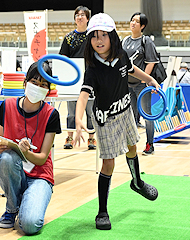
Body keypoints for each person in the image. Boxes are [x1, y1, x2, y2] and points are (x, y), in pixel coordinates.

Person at [74, 13, 159, 231]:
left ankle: (137, 182)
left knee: (133, 147)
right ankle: (102, 211)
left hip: (125, 112)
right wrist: (77, 119)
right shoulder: (93, 69)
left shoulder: (121, 56)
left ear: (112, 36)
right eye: (94, 36)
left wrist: (149, 78)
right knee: (109, 163)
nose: (99, 40)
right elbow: (83, 96)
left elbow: (133, 70)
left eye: (103, 35)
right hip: (106, 119)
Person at [0, 61, 61, 234]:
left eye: (43, 85)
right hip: (16, 170)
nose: (38, 87)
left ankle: (25, 199)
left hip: (40, 175)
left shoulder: (51, 115)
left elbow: (43, 157)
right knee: (6, 158)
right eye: (34, 82)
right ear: (25, 83)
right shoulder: (7, 106)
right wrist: (1, 149)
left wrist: (27, 152)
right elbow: (1, 143)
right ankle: (12, 208)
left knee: (30, 225)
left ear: (48, 90)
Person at [59, 5, 96, 150]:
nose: (79, 17)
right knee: (71, 111)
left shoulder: (93, 36)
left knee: (90, 111)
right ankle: (69, 136)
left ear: (87, 19)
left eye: (82, 15)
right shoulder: (68, 38)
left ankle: (91, 138)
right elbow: (63, 57)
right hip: (72, 80)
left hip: (90, 78)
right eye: (77, 15)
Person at [122, 12, 158, 155]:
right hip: (127, 85)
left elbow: (151, 62)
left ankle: (150, 144)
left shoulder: (146, 41)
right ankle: (131, 144)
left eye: (137, 21)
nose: (133, 23)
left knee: (147, 115)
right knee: (130, 115)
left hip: (142, 86)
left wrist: (145, 80)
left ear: (142, 26)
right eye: (132, 20)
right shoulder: (125, 41)